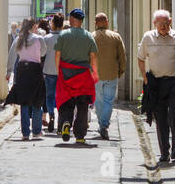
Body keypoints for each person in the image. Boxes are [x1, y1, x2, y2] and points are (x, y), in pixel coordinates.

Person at [137, 8, 175, 165]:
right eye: (160, 23)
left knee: (174, 113)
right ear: (154, 23)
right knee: (160, 117)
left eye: (166, 23)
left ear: (170, 22)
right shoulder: (148, 38)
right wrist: (145, 78)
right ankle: (164, 152)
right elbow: (140, 58)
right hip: (156, 83)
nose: (163, 26)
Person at [54, 9, 98, 144]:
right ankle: (80, 135)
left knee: (66, 101)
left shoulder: (63, 35)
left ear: (72, 19)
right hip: (83, 74)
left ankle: (66, 123)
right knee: (82, 105)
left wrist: (58, 70)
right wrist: (95, 72)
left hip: (66, 73)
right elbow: (93, 56)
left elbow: (57, 54)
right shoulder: (88, 36)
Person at [4, 17, 47, 139]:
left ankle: (25, 133)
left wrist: (8, 72)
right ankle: (37, 131)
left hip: (22, 71)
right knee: (37, 100)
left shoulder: (18, 39)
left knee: (24, 102)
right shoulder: (39, 39)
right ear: (33, 26)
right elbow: (43, 52)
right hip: (35, 70)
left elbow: (12, 56)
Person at [93, 12, 126, 140]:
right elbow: (122, 56)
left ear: (95, 23)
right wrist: (121, 71)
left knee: (99, 101)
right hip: (112, 73)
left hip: (96, 74)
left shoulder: (91, 36)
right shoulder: (115, 37)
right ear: (107, 22)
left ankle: (102, 124)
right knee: (109, 101)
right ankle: (104, 125)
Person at [42, 12, 63, 132]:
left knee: (49, 96)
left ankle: (51, 115)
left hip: (49, 71)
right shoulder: (65, 37)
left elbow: (42, 54)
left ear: (53, 23)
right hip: (62, 72)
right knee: (61, 97)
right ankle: (61, 119)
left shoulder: (47, 38)